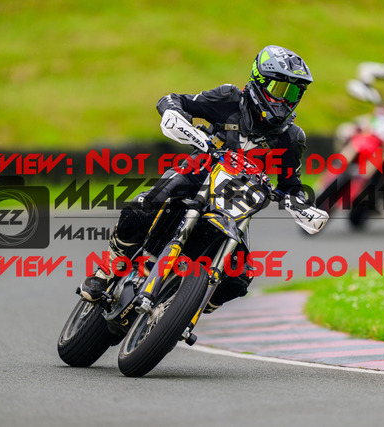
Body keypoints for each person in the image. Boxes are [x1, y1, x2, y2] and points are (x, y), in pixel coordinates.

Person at [80, 45, 315, 311]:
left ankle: (186, 309)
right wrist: (175, 114)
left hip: (235, 203)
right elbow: (174, 100)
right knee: (142, 208)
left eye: (294, 93)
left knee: (240, 276)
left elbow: (291, 184)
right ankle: (107, 269)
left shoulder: (292, 138)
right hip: (197, 174)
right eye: (280, 89)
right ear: (260, 81)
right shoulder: (229, 99)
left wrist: (302, 205)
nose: (285, 101)